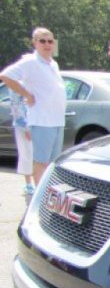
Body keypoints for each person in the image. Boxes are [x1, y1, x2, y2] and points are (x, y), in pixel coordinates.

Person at [0, 27, 66, 186]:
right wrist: (27, 95)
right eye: (42, 41)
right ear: (35, 43)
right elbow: (6, 76)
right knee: (41, 162)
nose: (47, 44)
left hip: (57, 120)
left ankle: (48, 194)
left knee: (53, 163)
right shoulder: (30, 61)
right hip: (42, 120)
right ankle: (39, 197)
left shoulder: (53, 63)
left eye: (50, 41)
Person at [10, 89, 35, 195]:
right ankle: (30, 185)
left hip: (36, 123)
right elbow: (16, 107)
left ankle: (35, 184)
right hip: (25, 125)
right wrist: (26, 128)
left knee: (33, 154)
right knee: (27, 154)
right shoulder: (17, 83)